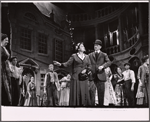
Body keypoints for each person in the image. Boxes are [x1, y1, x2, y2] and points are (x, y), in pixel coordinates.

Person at [54, 42, 91, 106]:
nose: (84, 47)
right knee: (76, 93)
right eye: (82, 46)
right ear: (78, 49)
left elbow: (90, 66)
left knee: (84, 92)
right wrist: (60, 64)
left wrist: (86, 70)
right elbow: (67, 64)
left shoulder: (87, 57)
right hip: (76, 77)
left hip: (83, 77)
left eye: (83, 46)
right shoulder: (74, 56)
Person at [88, 39, 111, 106]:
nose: (95, 46)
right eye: (94, 45)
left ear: (100, 47)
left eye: (97, 45)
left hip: (101, 76)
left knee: (101, 95)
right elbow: (87, 64)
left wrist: (103, 66)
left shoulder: (104, 54)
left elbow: (109, 62)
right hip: (92, 76)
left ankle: (101, 109)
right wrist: (88, 70)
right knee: (91, 94)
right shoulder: (90, 55)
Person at [1, 33, 12, 106]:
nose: (7, 42)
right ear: (1, 40)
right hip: (2, 69)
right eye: (6, 40)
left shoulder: (5, 48)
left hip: (6, 69)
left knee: (7, 86)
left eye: (8, 40)